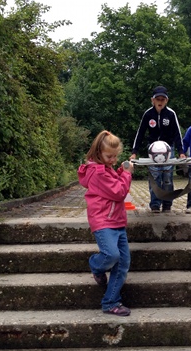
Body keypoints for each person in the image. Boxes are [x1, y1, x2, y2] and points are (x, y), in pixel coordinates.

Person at [78, 130, 134, 316]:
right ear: (98, 153)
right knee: (111, 255)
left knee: (123, 263)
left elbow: (113, 183)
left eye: (115, 156)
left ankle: (111, 302)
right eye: (109, 156)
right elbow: (118, 192)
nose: (113, 160)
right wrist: (127, 174)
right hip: (104, 222)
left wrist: (120, 172)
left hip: (117, 221)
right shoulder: (98, 172)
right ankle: (95, 265)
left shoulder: (106, 168)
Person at [131, 85, 185, 213]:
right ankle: (155, 204)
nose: (160, 101)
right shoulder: (148, 114)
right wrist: (134, 152)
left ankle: (167, 204)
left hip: (168, 150)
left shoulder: (171, 114)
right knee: (155, 177)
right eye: (157, 99)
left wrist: (181, 152)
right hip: (153, 151)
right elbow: (140, 133)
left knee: (167, 178)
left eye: (162, 99)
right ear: (152, 100)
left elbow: (177, 133)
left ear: (166, 100)